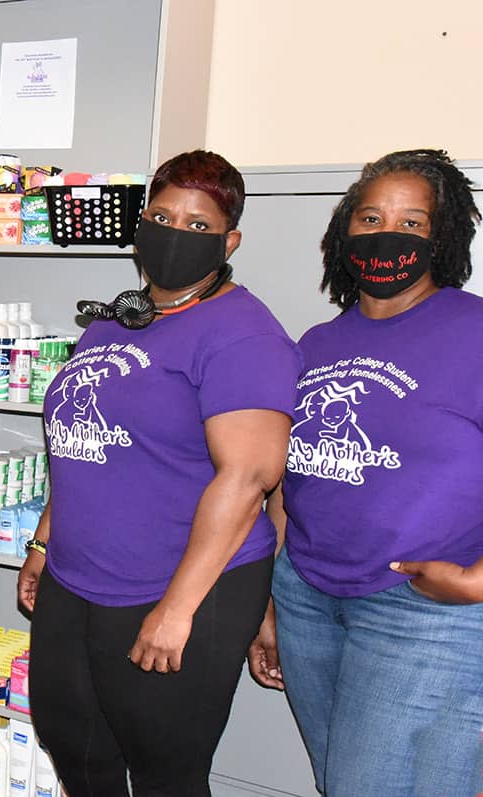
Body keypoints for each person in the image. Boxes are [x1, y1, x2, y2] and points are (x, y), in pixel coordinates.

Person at [18, 150, 302, 795]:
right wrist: (43, 542)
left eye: (199, 225)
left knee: (163, 772)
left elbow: (249, 478)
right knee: (73, 744)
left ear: (230, 241)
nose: (176, 232)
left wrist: (177, 612)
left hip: (179, 586)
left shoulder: (242, 334)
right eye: (162, 215)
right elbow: (82, 443)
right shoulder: (120, 320)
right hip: (77, 573)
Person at [249, 149, 483, 796]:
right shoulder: (316, 344)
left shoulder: (476, 331)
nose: (388, 234)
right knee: (340, 781)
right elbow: (286, 483)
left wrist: (478, 580)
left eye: (412, 223)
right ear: (344, 231)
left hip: (423, 608)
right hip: (308, 599)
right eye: (372, 217)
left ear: (442, 237)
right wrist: (270, 600)